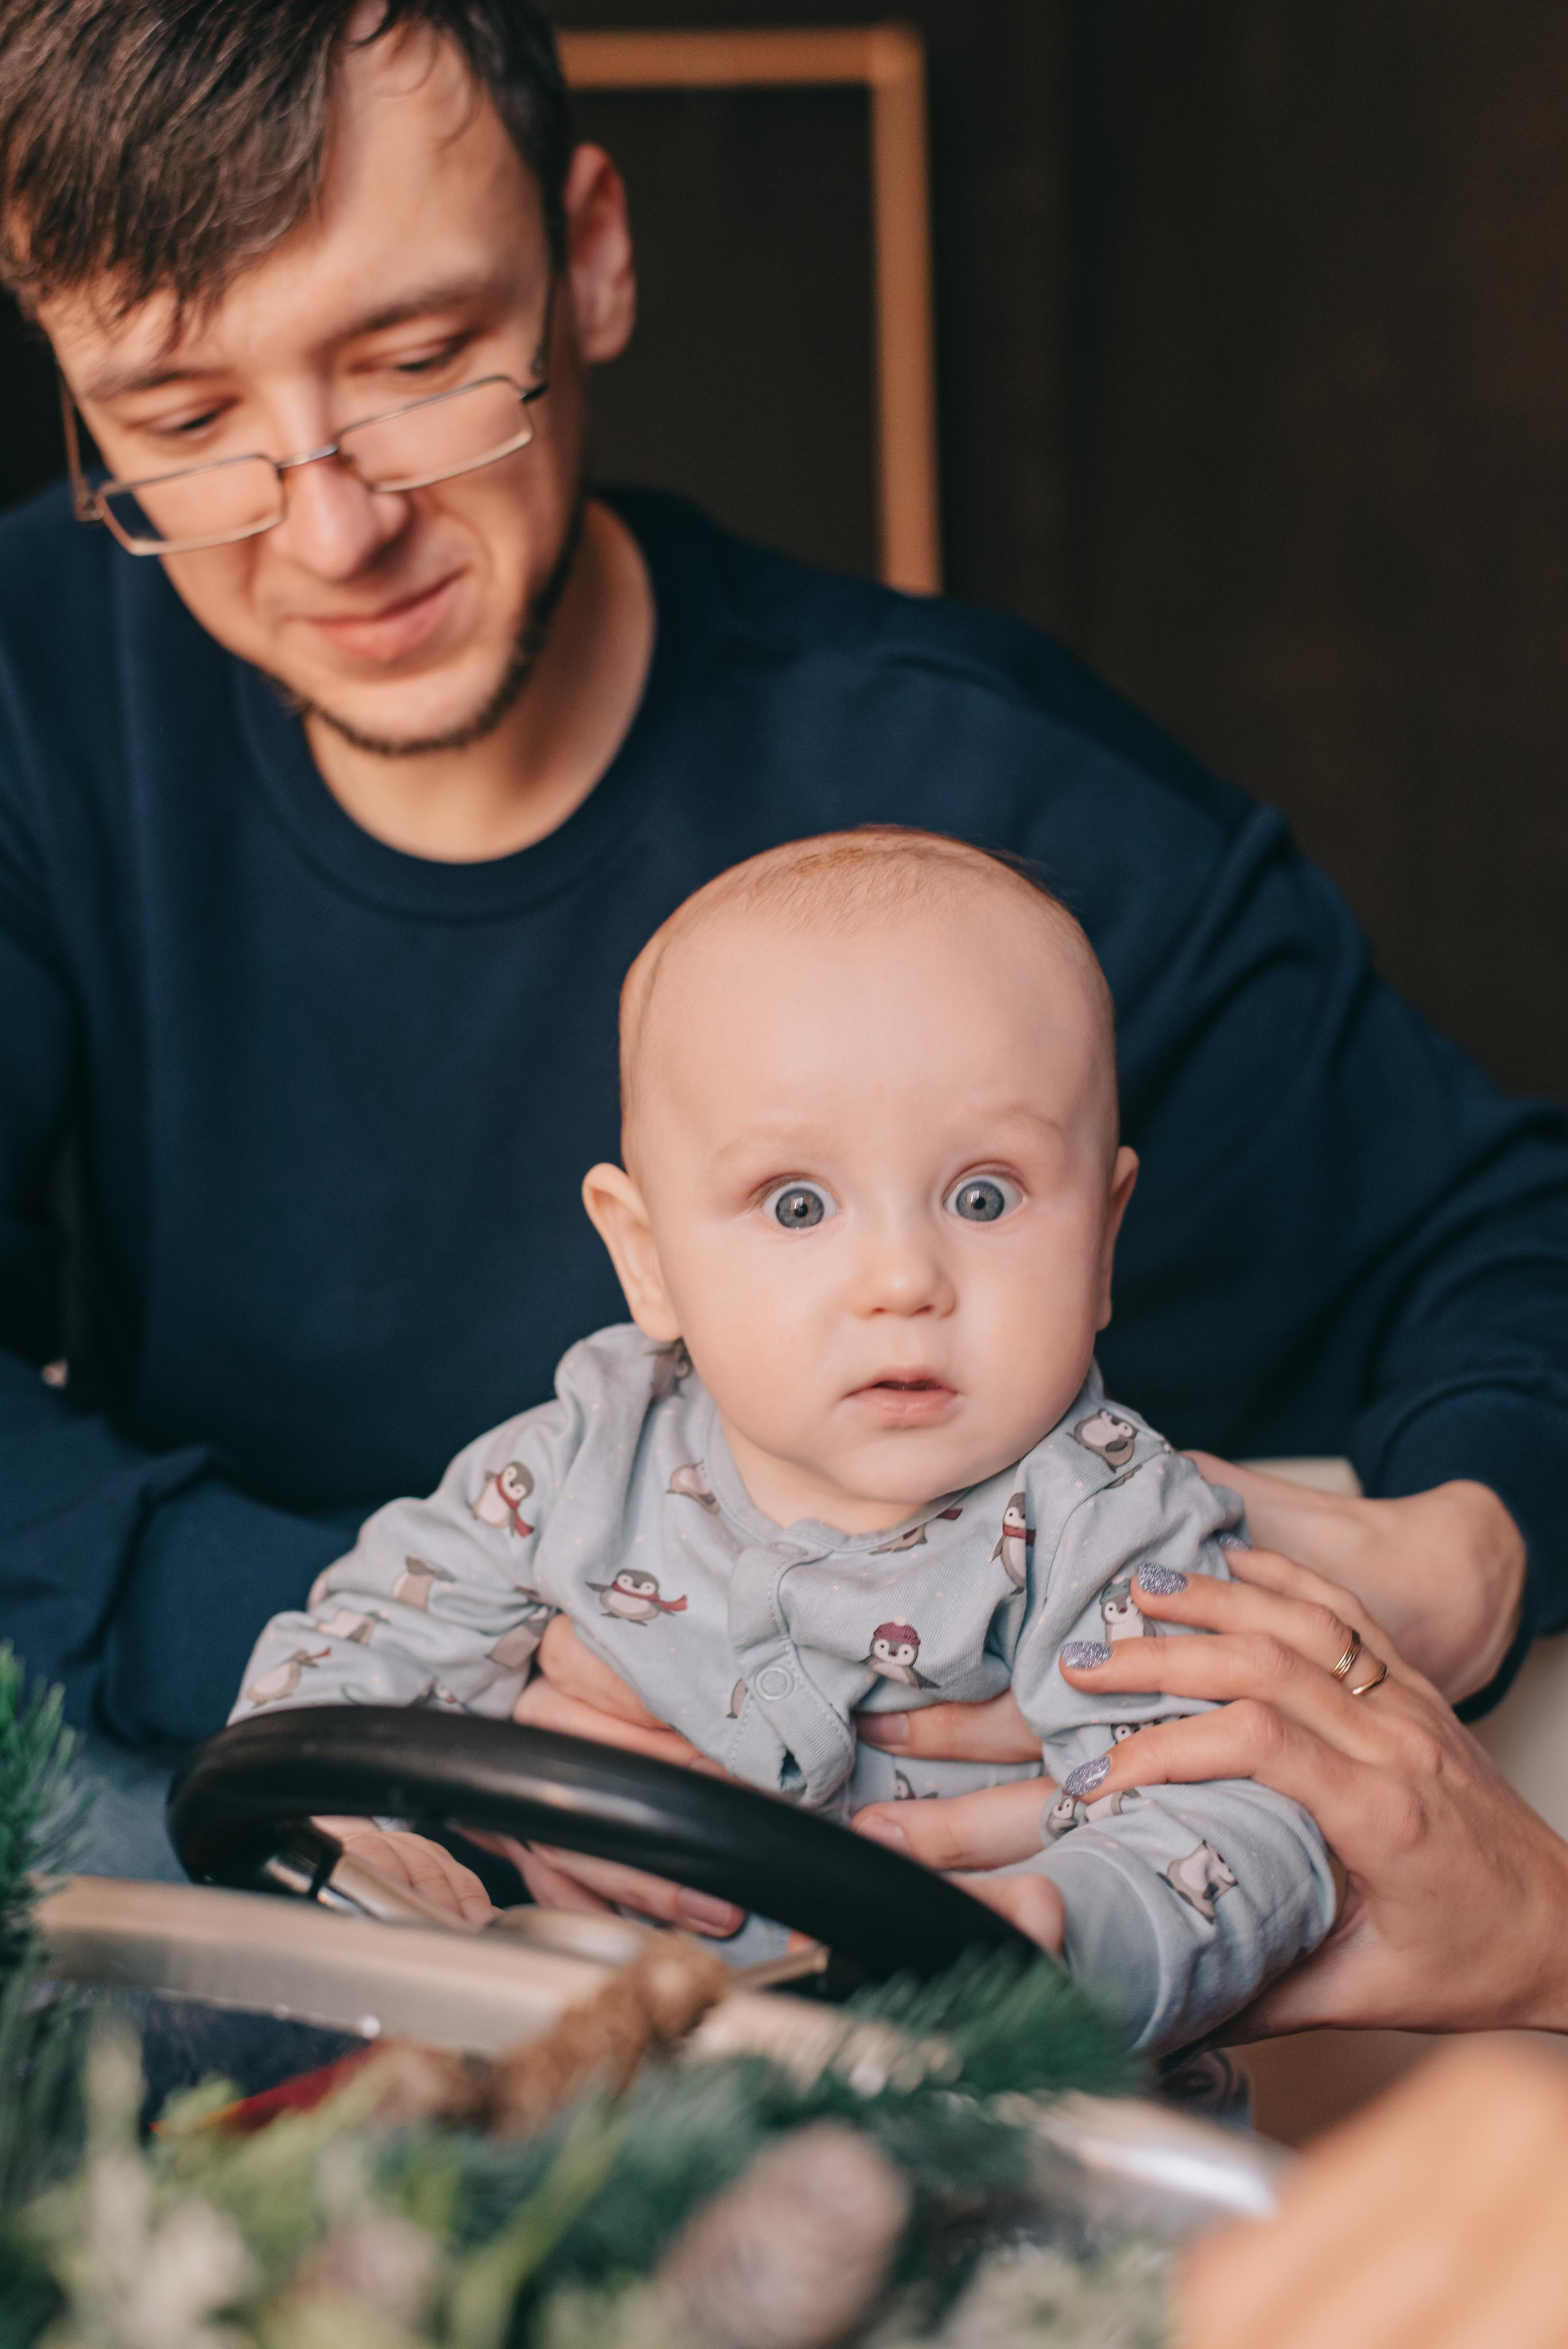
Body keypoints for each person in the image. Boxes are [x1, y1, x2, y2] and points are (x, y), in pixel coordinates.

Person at [0, 0, 1563, 1897]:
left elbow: (1505, 1233)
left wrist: (1480, 1548)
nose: (331, 528)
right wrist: (456, 1681)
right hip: (264, 1756)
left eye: (419, 363)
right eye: (182, 424)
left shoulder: (980, 777)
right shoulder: (38, 689)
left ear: (590, 259)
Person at [234, 831, 1336, 2051]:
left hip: (1000, 2154)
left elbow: (1248, 1830)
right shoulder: (575, 1464)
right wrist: (355, 1825)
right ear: (646, 1259)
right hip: (620, 2125)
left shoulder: (1111, 1525)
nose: (904, 1278)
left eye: (983, 1196)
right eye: (797, 1204)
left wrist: (1060, 1931)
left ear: (1102, 1239)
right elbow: (358, 1651)